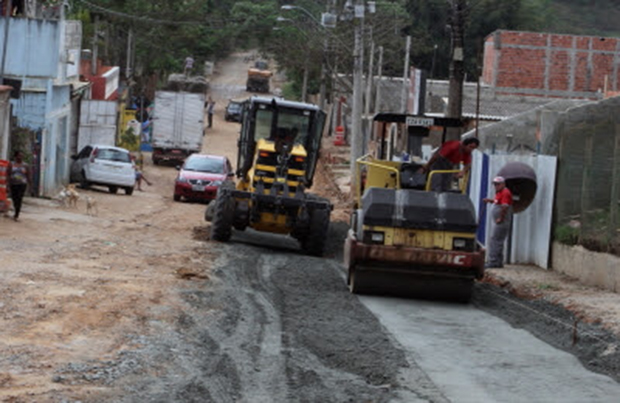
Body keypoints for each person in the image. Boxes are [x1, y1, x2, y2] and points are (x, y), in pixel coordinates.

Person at [483, 176, 514, 268]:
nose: (496, 186)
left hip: (501, 222)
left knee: (495, 240)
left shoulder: (505, 192)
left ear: (503, 184)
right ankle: (498, 261)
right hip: (499, 221)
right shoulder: (499, 192)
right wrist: (490, 201)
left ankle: (493, 262)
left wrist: (501, 218)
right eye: (495, 184)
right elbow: (498, 201)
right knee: (498, 240)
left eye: (498, 184)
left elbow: (505, 206)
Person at [8, 151, 30, 221]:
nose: (20, 157)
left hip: (22, 184)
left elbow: (28, 175)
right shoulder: (11, 164)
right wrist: (7, 184)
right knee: (14, 198)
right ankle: (16, 209)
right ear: (15, 156)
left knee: (19, 198)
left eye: (21, 156)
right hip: (13, 184)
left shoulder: (25, 165)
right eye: (19, 156)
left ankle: (17, 214)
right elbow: (8, 174)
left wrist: (30, 185)